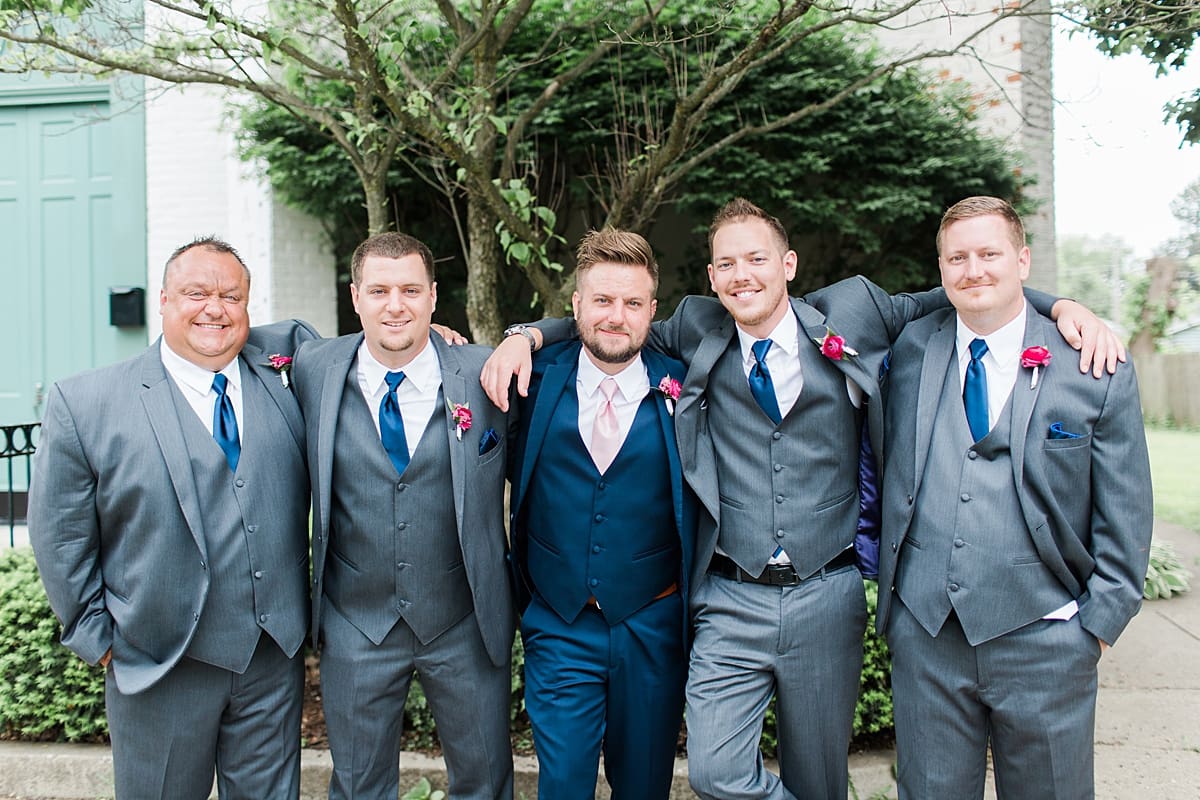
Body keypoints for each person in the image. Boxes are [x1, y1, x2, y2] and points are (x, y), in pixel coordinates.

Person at [480, 198, 1121, 799]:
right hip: (730, 592)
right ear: (711, 276)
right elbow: (608, 320)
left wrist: (1063, 306)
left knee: (818, 775)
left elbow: (965, 292)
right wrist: (527, 334)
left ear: (787, 265)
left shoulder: (855, 312)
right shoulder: (697, 328)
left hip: (827, 590)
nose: (742, 275)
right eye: (726, 264)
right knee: (713, 768)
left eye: (756, 259)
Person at [874, 196, 1153, 799]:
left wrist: (1093, 631)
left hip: (1048, 638)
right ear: (941, 268)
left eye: (989, 254)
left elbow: (1126, 512)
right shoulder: (908, 350)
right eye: (957, 257)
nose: (973, 269)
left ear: (1023, 260)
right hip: (928, 639)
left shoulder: (1091, 364)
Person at [28, 237, 316, 799]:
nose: (215, 308)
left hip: (270, 659)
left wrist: (443, 342)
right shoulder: (86, 403)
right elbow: (60, 535)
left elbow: (357, 343)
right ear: (163, 299)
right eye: (196, 293)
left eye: (231, 296)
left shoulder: (284, 378)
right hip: (158, 662)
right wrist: (97, 636)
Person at [291, 232, 514, 800]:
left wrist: (529, 334)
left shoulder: (486, 372)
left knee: (485, 782)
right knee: (359, 785)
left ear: (434, 297)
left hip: (462, 619)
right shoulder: (315, 368)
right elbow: (227, 331)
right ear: (355, 297)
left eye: (411, 290)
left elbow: (573, 344)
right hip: (356, 621)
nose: (396, 305)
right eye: (380, 290)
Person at [507, 229, 697, 798]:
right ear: (576, 306)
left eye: (633, 303)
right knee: (562, 785)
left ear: (653, 311)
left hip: (652, 624)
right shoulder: (532, 380)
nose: (617, 316)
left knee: (644, 787)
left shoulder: (688, 383)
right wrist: (523, 335)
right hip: (559, 624)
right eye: (603, 300)